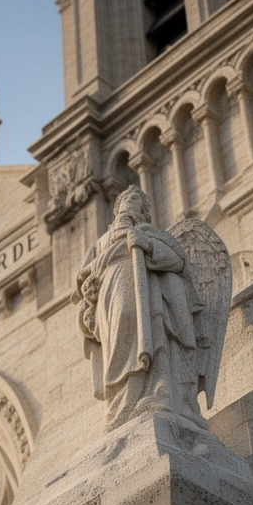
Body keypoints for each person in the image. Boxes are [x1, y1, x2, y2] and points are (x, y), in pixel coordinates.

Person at [74, 185, 206, 431]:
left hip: (145, 290)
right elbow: (83, 281)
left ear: (144, 211)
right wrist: (89, 289)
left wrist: (147, 244)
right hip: (109, 291)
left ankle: (157, 391)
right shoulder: (100, 243)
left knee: (148, 328)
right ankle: (121, 402)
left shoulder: (151, 233)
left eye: (135, 200)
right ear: (116, 208)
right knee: (119, 332)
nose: (129, 203)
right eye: (125, 199)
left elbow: (177, 261)